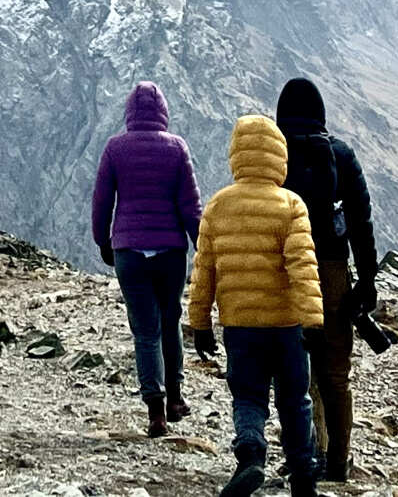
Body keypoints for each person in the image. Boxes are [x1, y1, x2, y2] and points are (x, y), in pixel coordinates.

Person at [188, 115, 324, 497]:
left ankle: (250, 455)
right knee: (295, 401)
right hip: (287, 325)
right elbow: (303, 266)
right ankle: (303, 477)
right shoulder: (291, 205)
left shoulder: (218, 206)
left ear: (237, 156)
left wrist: (199, 322)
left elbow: (204, 270)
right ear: (279, 157)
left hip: (241, 325)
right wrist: (313, 322)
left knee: (248, 396)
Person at [276, 77, 379, 483]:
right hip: (332, 270)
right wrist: (367, 280)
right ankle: (338, 461)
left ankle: (305, 453)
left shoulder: (275, 155)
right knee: (335, 372)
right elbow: (361, 221)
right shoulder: (341, 154)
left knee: (293, 370)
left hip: (285, 273)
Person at [91, 81, 203, 437]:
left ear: (128, 114)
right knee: (170, 323)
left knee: (145, 332)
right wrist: (203, 245)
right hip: (170, 252)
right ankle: (176, 398)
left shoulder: (115, 148)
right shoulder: (176, 148)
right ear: (163, 114)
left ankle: (155, 410)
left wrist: (104, 242)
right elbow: (190, 205)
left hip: (129, 252)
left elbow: (101, 202)